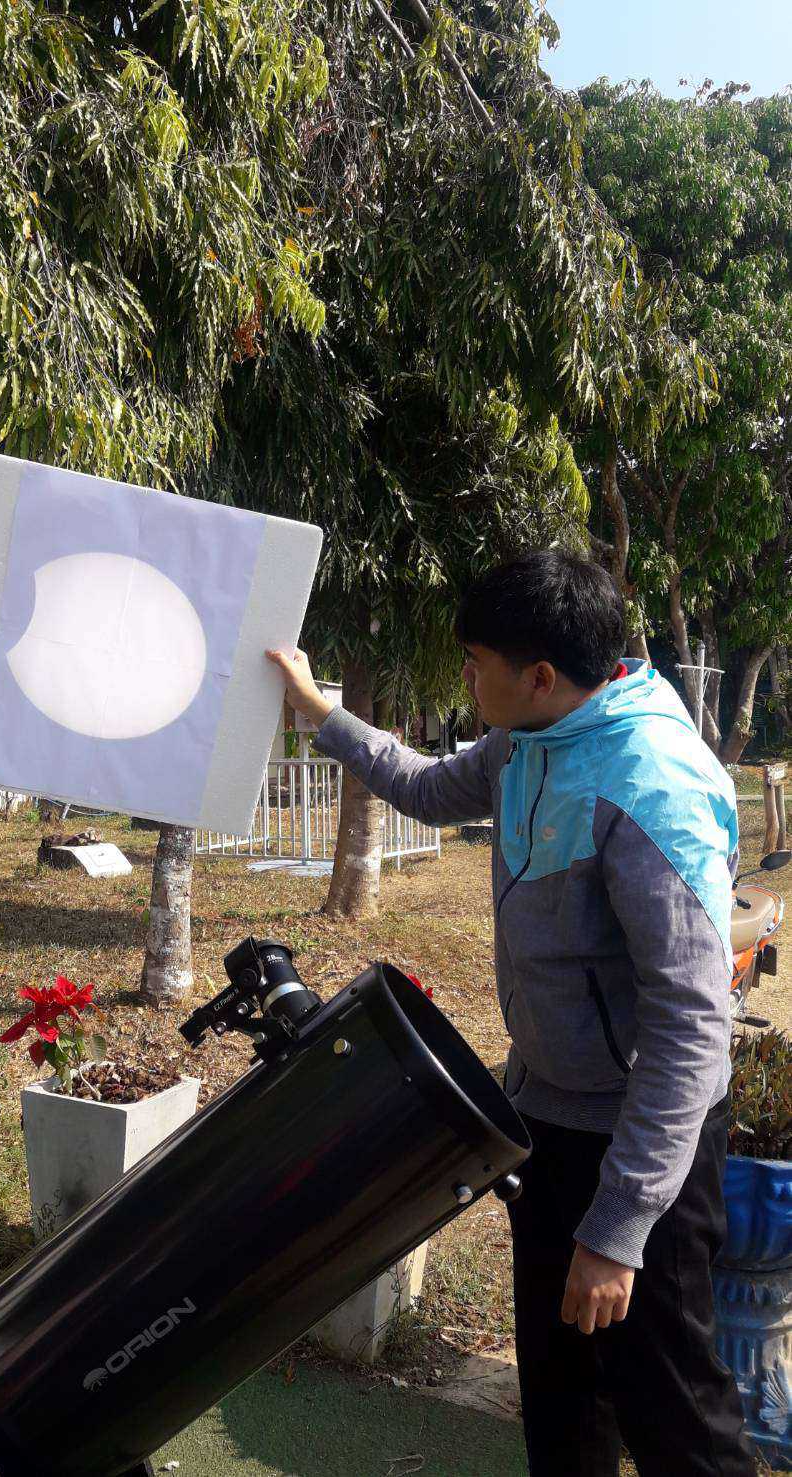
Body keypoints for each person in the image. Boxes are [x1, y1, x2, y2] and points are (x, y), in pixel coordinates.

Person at [267, 550, 753, 1477]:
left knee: (677, 1417)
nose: (465, 676)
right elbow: (424, 788)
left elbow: (691, 1028)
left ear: (538, 674)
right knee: (563, 1400)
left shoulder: (651, 787)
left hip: (646, 1143)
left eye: (475, 660)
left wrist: (619, 1227)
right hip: (549, 1123)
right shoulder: (527, 738)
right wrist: (321, 714)